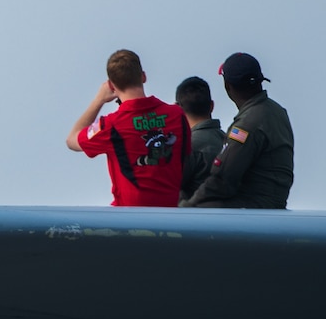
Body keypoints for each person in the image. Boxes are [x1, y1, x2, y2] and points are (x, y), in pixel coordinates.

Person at [65, 49, 190, 207]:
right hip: (171, 213)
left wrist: (99, 100)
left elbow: (72, 140)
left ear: (111, 85)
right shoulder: (177, 115)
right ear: (143, 76)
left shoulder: (110, 125)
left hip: (129, 219)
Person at [184, 52, 294, 208]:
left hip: (252, 208)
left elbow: (223, 179)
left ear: (227, 86)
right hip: (272, 204)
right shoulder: (277, 111)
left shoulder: (247, 125)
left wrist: (187, 207)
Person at [173, 76, 227, 206]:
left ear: (178, 109)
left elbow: (169, 187)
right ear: (212, 106)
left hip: (191, 221)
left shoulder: (186, 146)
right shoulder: (228, 142)